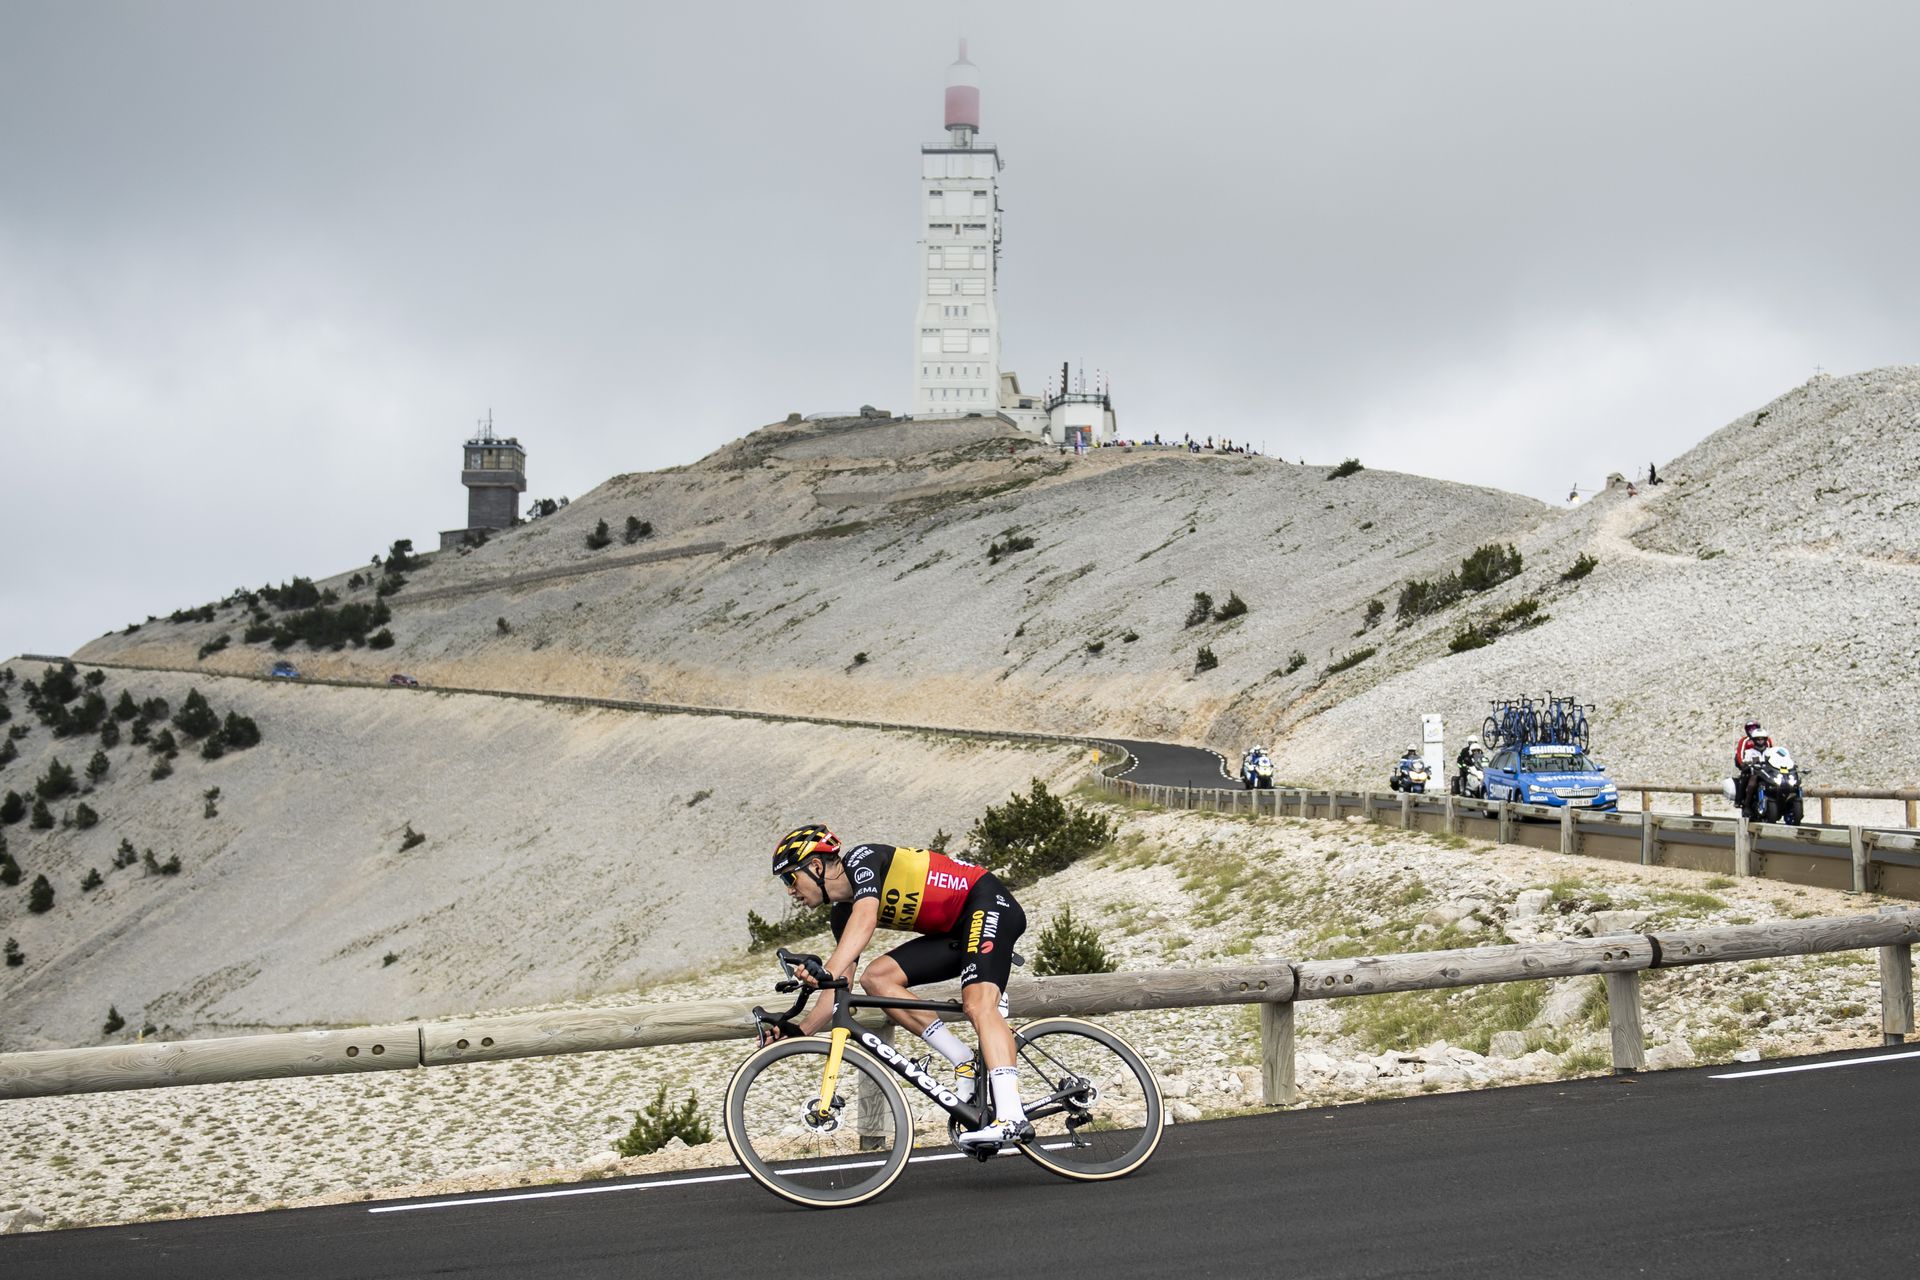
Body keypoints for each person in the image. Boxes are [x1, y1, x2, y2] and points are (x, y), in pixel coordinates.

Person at [764, 826, 1032, 1149]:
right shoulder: (842, 915)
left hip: (987, 902)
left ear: (817, 866)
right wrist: (800, 1031)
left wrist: (826, 969)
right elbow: (838, 986)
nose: (790, 890)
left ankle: (1012, 1116)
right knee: (876, 978)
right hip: (955, 932)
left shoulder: (862, 860)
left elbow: (866, 918)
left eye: (790, 878)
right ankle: (963, 1058)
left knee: (978, 1004)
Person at [1733, 721, 1773, 815]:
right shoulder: (1747, 746)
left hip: (1767, 770)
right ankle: (1744, 802)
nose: (1760, 741)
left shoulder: (1769, 747)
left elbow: (1774, 753)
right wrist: (1743, 764)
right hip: (1753, 769)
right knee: (1749, 782)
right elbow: (1740, 754)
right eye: (1758, 739)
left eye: (1762, 739)